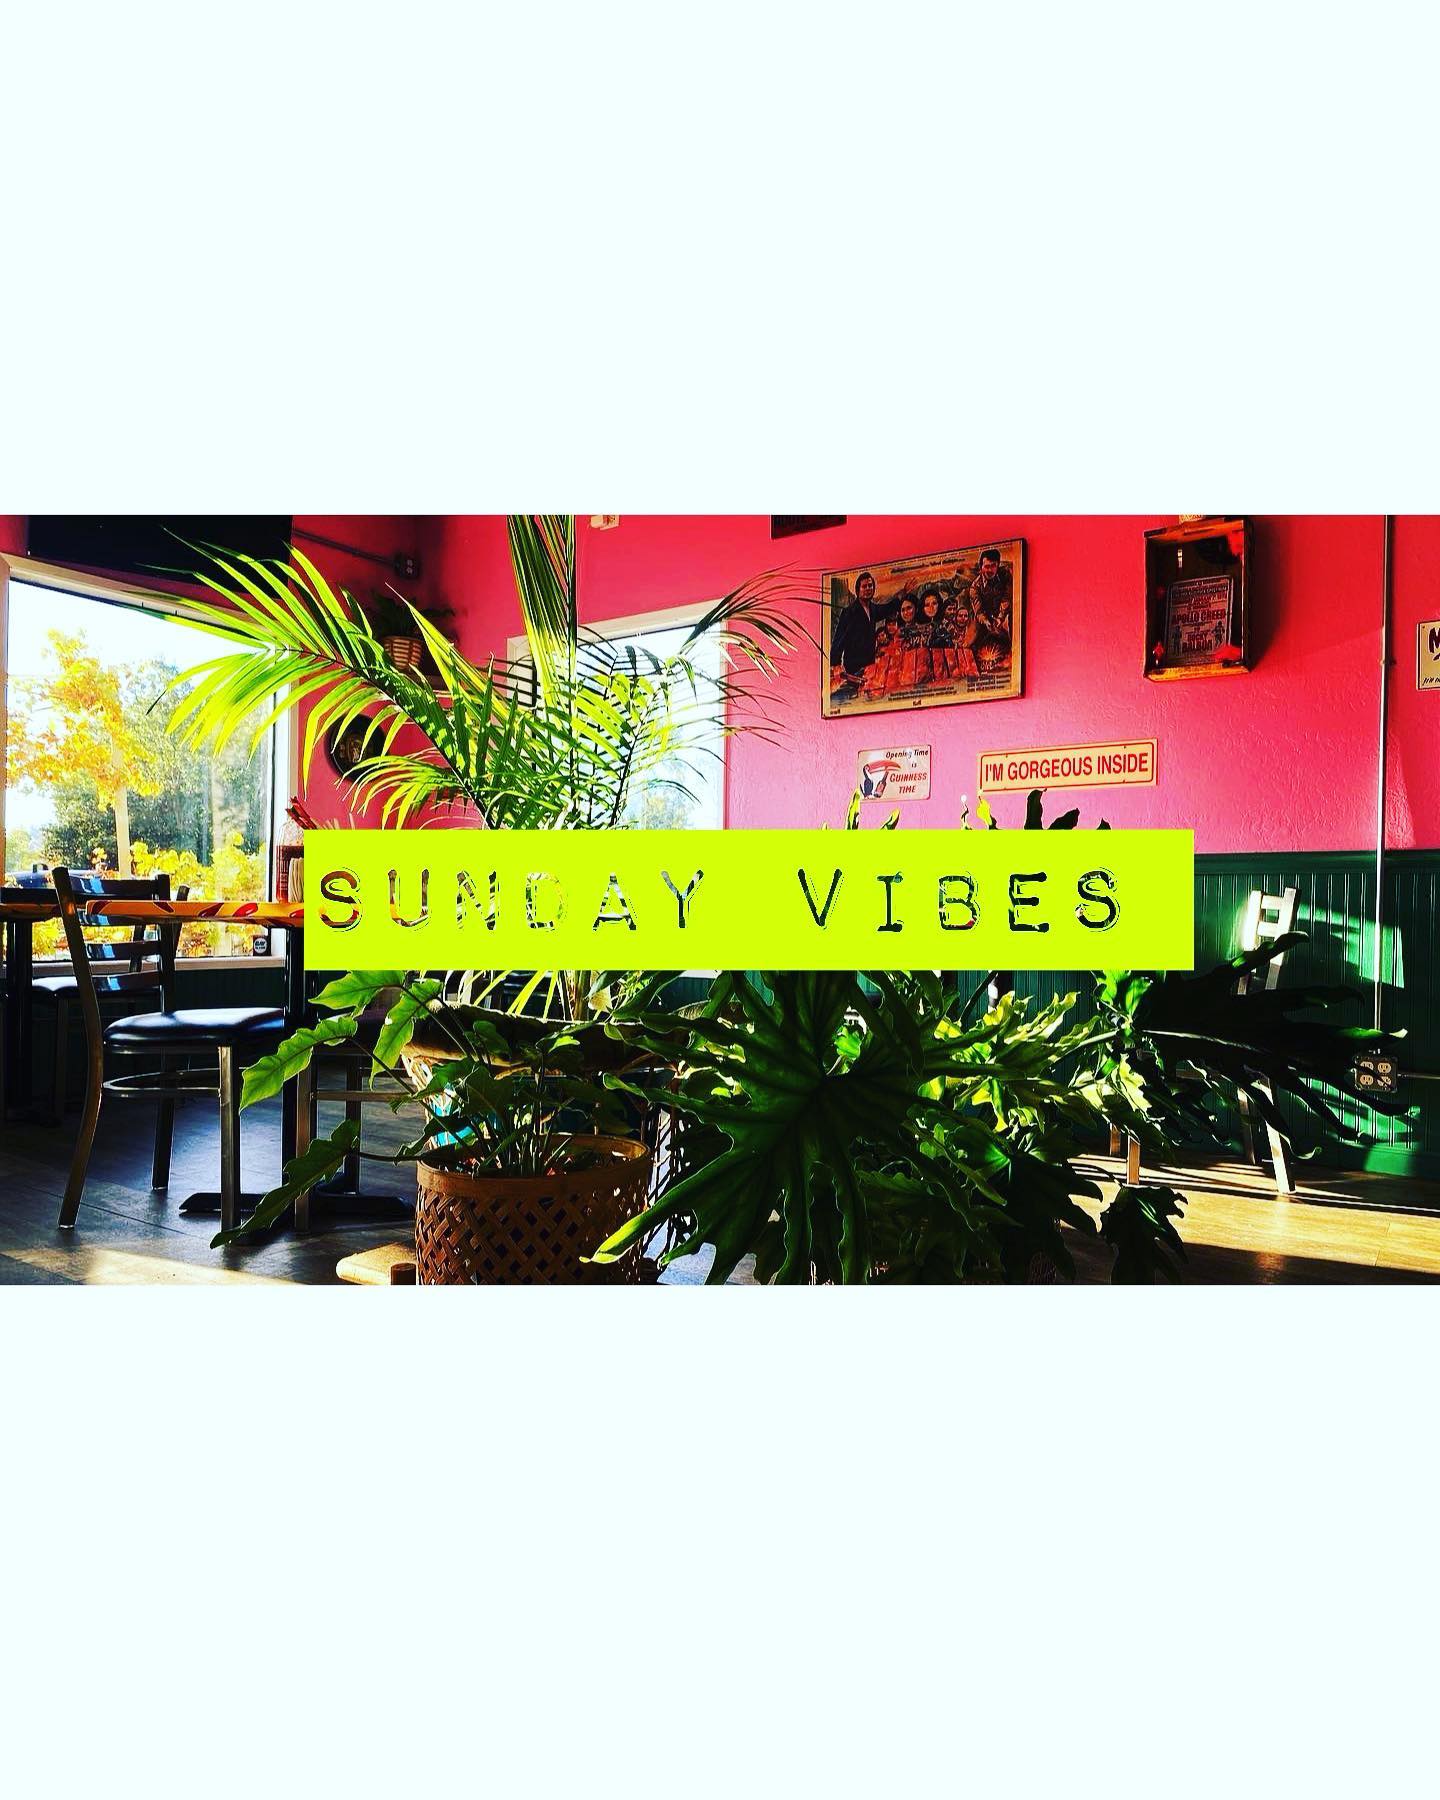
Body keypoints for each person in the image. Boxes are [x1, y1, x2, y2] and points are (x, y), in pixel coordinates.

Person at [829, 571, 891, 694]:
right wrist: (835, 663)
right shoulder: (849, 612)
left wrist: (902, 595)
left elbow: (887, 609)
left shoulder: (873, 609)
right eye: (864, 586)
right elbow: (839, 639)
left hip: (870, 665)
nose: (868, 589)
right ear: (858, 590)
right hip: (854, 668)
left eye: (870, 585)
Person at [969, 548, 1013, 634]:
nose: (990, 570)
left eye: (993, 566)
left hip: (1003, 617)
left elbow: (1007, 598)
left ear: (998, 565)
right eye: (987, 566)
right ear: (981, 567)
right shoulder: (975, 587)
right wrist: (986, 621)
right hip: (984, 623)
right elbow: (979, 612)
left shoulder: (1006, 576)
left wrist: (1000, 618)